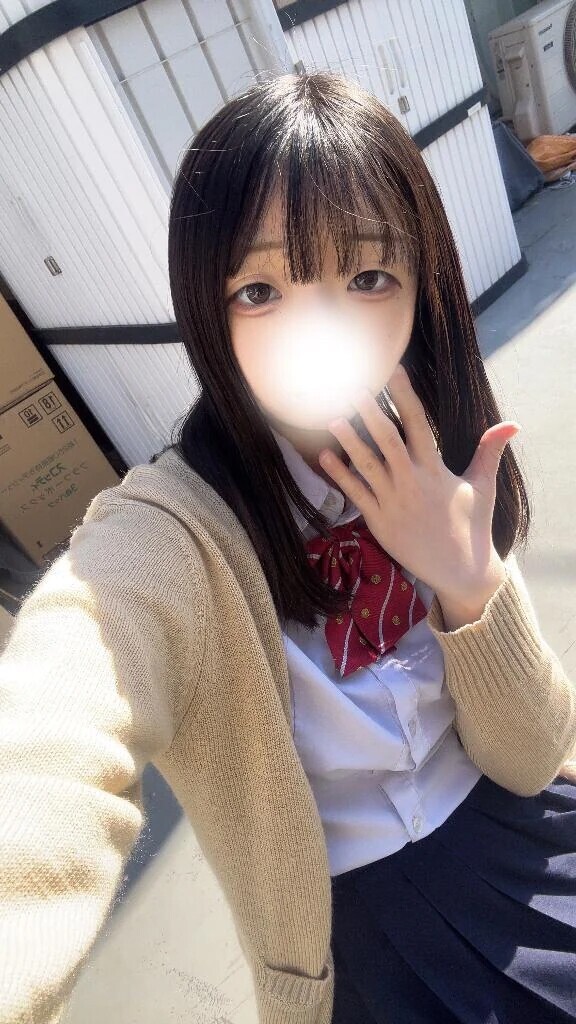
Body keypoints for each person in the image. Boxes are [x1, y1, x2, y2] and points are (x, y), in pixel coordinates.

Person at [1, 70, 575, 1024]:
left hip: (518, 831)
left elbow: (532, 754)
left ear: (421, 286)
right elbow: (50, 741)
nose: (320, 331)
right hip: (363, 936)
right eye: (261, 289)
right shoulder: (170, 533)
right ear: (207, 307)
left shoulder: (444, 452)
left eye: (367, 277)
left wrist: (469, 584)